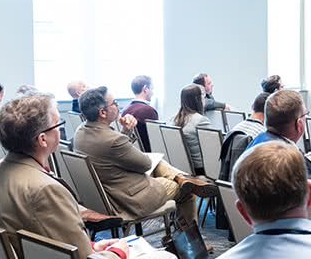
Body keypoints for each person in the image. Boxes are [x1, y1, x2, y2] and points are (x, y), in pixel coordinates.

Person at [0, 93, 183, 259]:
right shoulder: (44, 189)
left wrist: (92, 245)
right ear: (43, 139)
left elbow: (44, 238)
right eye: (58, 125)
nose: (61, 130)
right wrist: (117, 252)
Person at [73, 87, 216, 227]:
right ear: (103, 112)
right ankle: (191, 244)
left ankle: (183, 178)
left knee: (161, 164)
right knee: (187, 191)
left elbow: (115, 154)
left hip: (105, 194)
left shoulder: (80, 132)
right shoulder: (112, 139)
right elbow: (145, 165)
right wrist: (126, 133)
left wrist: (126, 132)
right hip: (127, 199)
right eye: (114, 102)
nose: (118, 106)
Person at [168, 84, 212, 175]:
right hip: (200, 169)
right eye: (202, 95)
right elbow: (212, 148)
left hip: (181, 168)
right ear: (197, 99)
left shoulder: (173, 119)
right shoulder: (201, 120)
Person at [121, 75, 159, 152]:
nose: (153, 93)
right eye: (152, 89)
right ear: (145, 89)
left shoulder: (125, 111)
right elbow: (156, 141)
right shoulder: (149, 111)